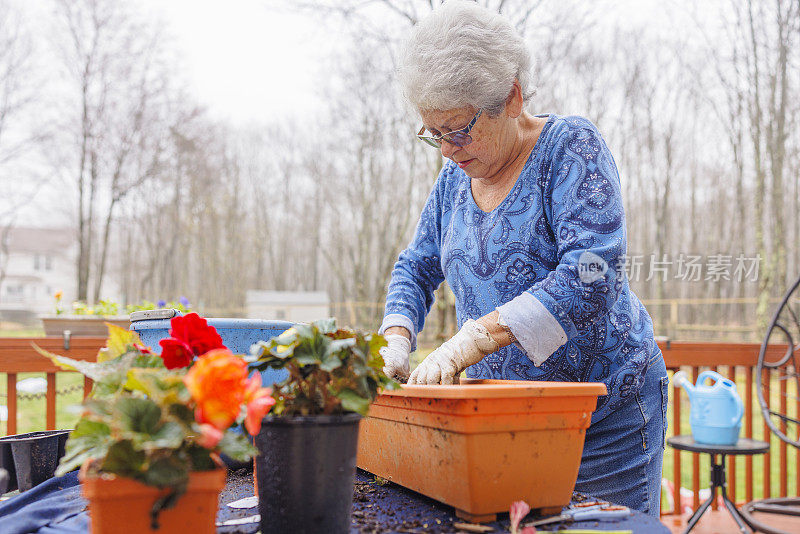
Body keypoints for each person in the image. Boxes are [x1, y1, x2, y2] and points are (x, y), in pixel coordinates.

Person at [378, 1, 668, 518]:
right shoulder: (454, 179)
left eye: (458, 129)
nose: (446, 148)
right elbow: (417, 266)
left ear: (510, 98)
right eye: (433, 133)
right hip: (506, 416)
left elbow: (592, 274)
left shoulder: (570, 147)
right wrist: (396, 337)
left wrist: (474, 338)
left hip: (602, 413)